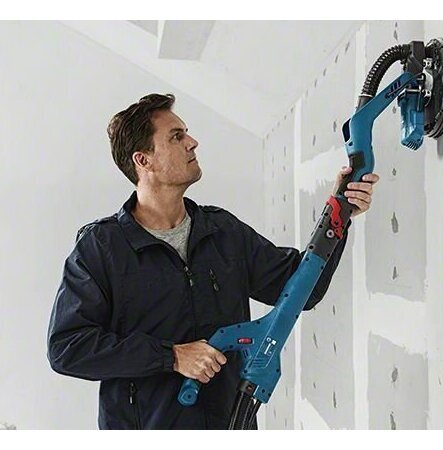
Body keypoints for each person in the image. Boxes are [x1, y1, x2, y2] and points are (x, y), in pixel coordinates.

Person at [46, 93, 379, 429]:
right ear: (144, 160)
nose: (192, 142)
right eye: (176, 136)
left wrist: (339, 213)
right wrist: (171, 356)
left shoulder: (221, 232)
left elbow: (303, 290)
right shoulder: (102, 248)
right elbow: (67, 347)